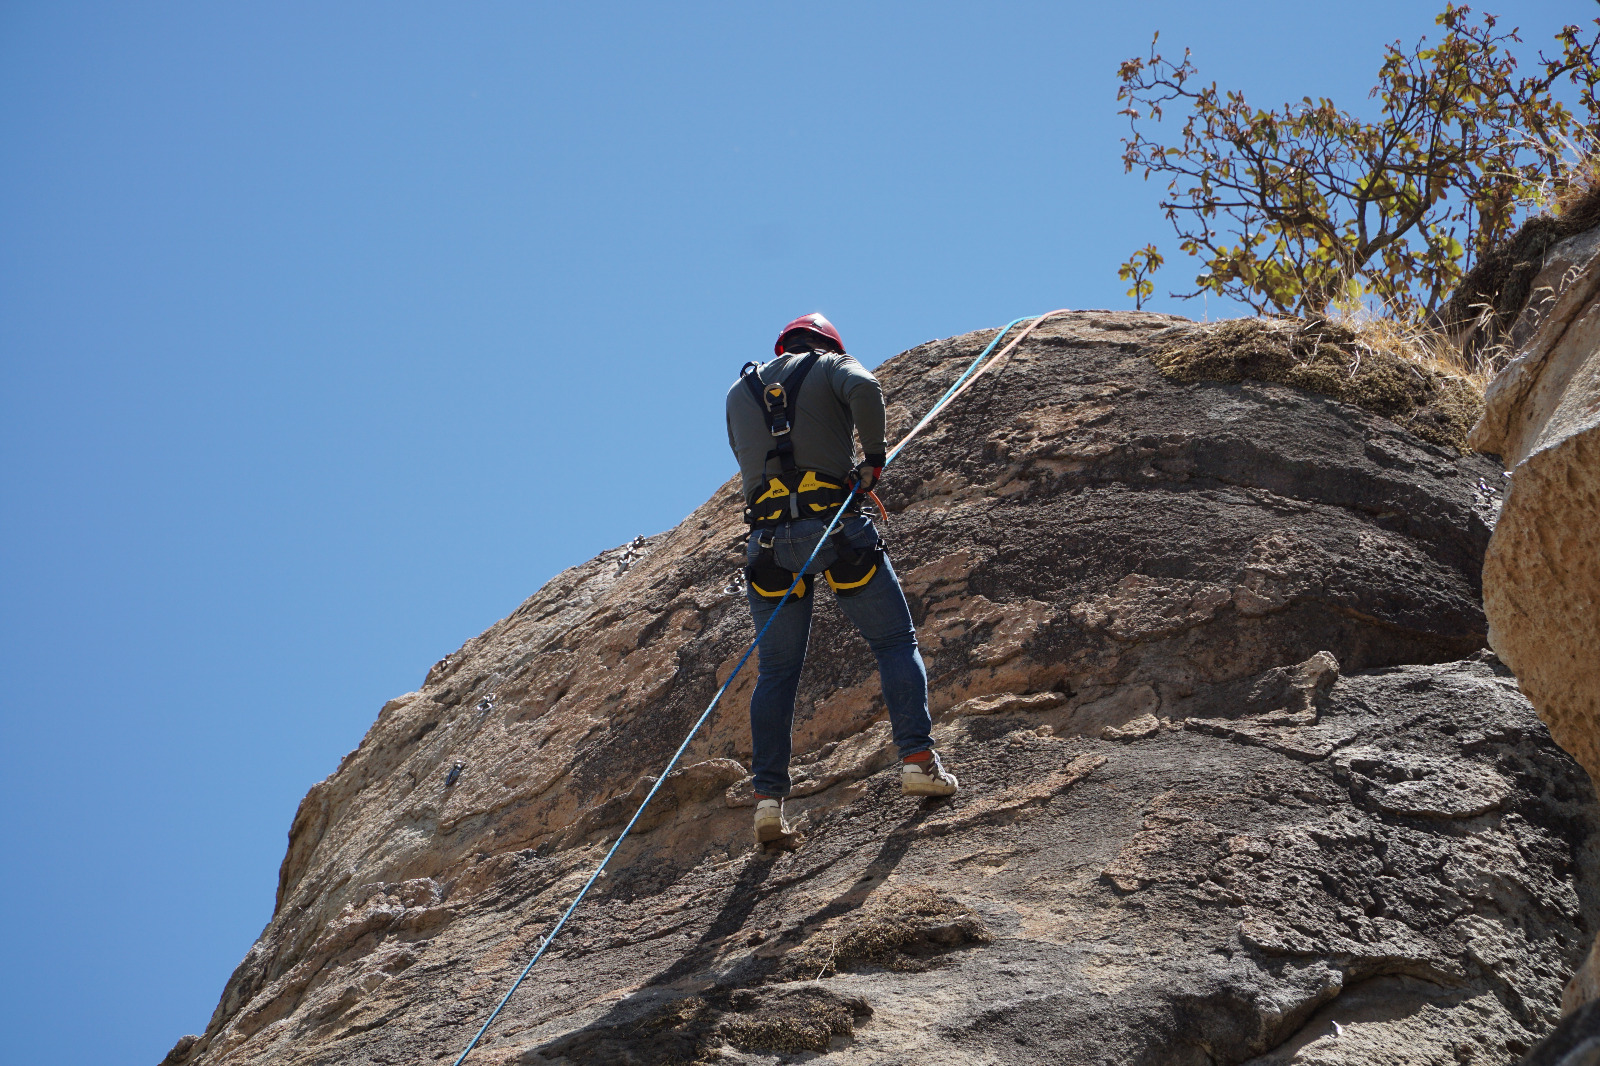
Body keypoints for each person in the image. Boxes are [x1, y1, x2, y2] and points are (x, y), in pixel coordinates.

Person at [726, 312, 958, 844]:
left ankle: (767, 803)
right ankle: (918, 761)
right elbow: (867, 388)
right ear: (826, 343)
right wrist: (872, 460)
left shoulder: (738, 392)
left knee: (777, 673)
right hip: (836, 529)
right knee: (894, 640)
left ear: (783, 345)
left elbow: (745, 460)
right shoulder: (832, 365)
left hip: (768, 547)